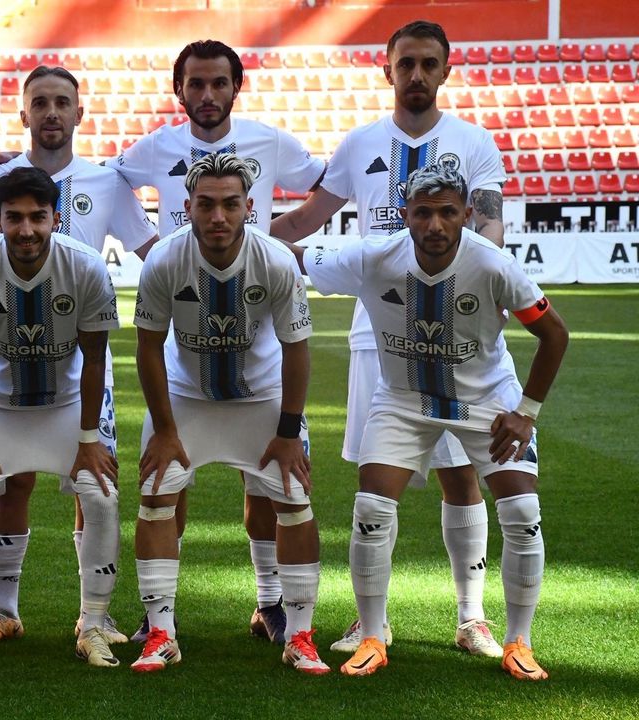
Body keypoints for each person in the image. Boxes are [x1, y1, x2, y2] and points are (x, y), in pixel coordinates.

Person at [271, 19, 509, 657]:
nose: (417, 75)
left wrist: (487, 292)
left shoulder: (475, 143)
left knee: (460, 475)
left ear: (446, 70)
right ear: (388, 70)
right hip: (376, 335)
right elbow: (308, 217)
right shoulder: (360, 143)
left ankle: (471, 617)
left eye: (429, 63)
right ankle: (368, 621)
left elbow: (490, 229)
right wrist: (248, 239)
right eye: (407, 63)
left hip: (456, 336)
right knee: (377, 477)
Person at [285, 164, 567, 680]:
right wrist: (231, 235)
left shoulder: (494, 264)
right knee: (371, 507)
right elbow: (298, 256)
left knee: (523, 512)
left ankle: (519, 642)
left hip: (487, 399)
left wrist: (526, 413)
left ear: (466, 214)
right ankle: (373, 636)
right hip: (404, 398)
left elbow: (554, 334)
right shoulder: (373, 256)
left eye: (447, 212)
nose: (435, 225)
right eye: (422, 213)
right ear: (404, 215)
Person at [106, 39, 326, 644]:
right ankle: (159, 615)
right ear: (179, 90)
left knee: (269, 492)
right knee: (165, 489)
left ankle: (271, 603)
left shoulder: (270, 142)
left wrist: (280, 235)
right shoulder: (156, 149)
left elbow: (331, 183)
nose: (207, 95)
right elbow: (100, 180)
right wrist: (145, 240)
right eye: (196, 84)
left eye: (218, 83)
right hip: (187, 368)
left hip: (259, 371)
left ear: (236, 87)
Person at [0, 64, 157, 645]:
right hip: (6, 365)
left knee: (92, 487)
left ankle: (94, 613)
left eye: (61, 102)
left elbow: (152, 249)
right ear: (23, 113)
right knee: (11, 484)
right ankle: (3, 609)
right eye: (39, 102)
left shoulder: (107, 181)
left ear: (78, 113)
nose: (50, 112)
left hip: (79, 367)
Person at [129, 154, 325, 675]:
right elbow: (148, 347)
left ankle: (299, 634)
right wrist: (165, 429)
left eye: (230, 204)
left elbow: (297, 350)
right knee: (156, 494)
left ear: (249, 207)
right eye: (207, 204)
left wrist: (289, 433)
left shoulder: (276, 261)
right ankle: (161, 633)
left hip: (261, 397)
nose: (218, 216)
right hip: (187, 397)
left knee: (293, 498)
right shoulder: (164, 259)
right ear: (187, 207)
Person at [0, 167, 122, 668]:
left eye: (38, 217)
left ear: (55, 219)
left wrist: (89, 439)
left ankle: (93, 624)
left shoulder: (85, 266)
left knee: (101, 495)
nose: (26, 229)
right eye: (15, 217)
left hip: (70, 401)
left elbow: (94, 357)